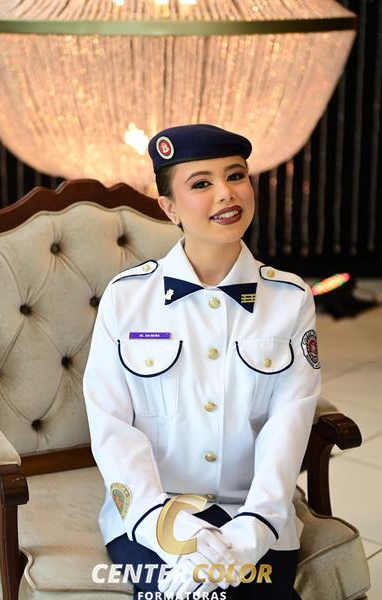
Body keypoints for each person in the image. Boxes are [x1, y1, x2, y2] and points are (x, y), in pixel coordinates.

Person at [83, 124, 322, 600]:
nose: (226, 193)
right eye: (201, 183)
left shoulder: (290, 299)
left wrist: (249, 535)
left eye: (236, 175)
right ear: (169, 207)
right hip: (152, 515)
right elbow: (112, 428)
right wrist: (172, 535)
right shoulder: (127, 298)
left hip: (255, 516)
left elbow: (288, 426)